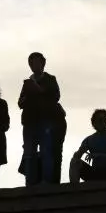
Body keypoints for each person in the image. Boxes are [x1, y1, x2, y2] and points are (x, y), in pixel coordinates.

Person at [18, 52, 66, 186]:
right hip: (29, 122)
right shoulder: (27, 82)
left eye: (37, 62)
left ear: (43, 63)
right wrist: (27, 96)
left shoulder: (50, 79)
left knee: (46, 151)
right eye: (32, 63)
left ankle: (46, 181)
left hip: (45, 121)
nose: (35, 65)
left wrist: (39, 90)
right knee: (29, 153)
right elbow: (20, 103)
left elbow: (56, 96)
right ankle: (30, 182)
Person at [70, 109, 106, 183]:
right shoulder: (88, 140)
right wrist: (78, 153)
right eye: (99, 120)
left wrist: (99, 155)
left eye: (104, 120)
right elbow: (78, 155)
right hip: (95, 172)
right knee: (75, 161)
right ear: (94, 122)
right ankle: (74, 190)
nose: (102, 123)